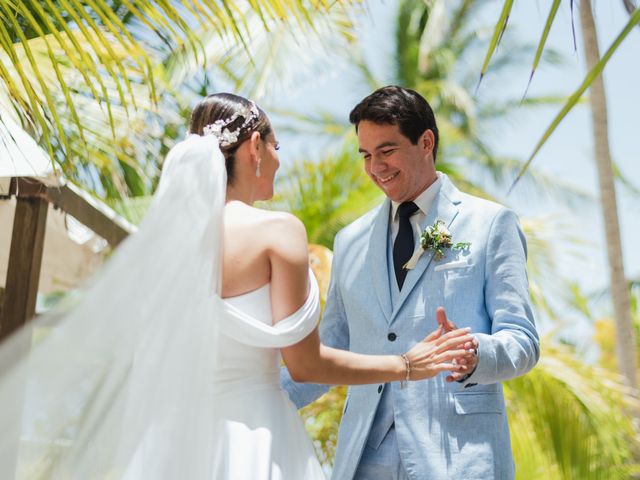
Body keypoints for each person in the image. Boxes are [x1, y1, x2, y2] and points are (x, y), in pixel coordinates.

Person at [0, 92, 474, 480]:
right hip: (254, 435)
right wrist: (407, 365)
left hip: (173, 443)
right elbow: (306, 365)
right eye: (275, 146)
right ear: (253, 148)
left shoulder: (167, 247)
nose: (277, 159)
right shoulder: (277, 231)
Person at [281, 86, 540, 480]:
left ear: (426, 142)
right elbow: (330, 347)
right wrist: (262, 398)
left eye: (386, 151)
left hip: (458, 456)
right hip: (363, 457)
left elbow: (523, 341)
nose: (375, 168)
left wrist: (475, 353)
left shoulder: (491, 223)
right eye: (366, 156)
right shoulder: (349, 241)